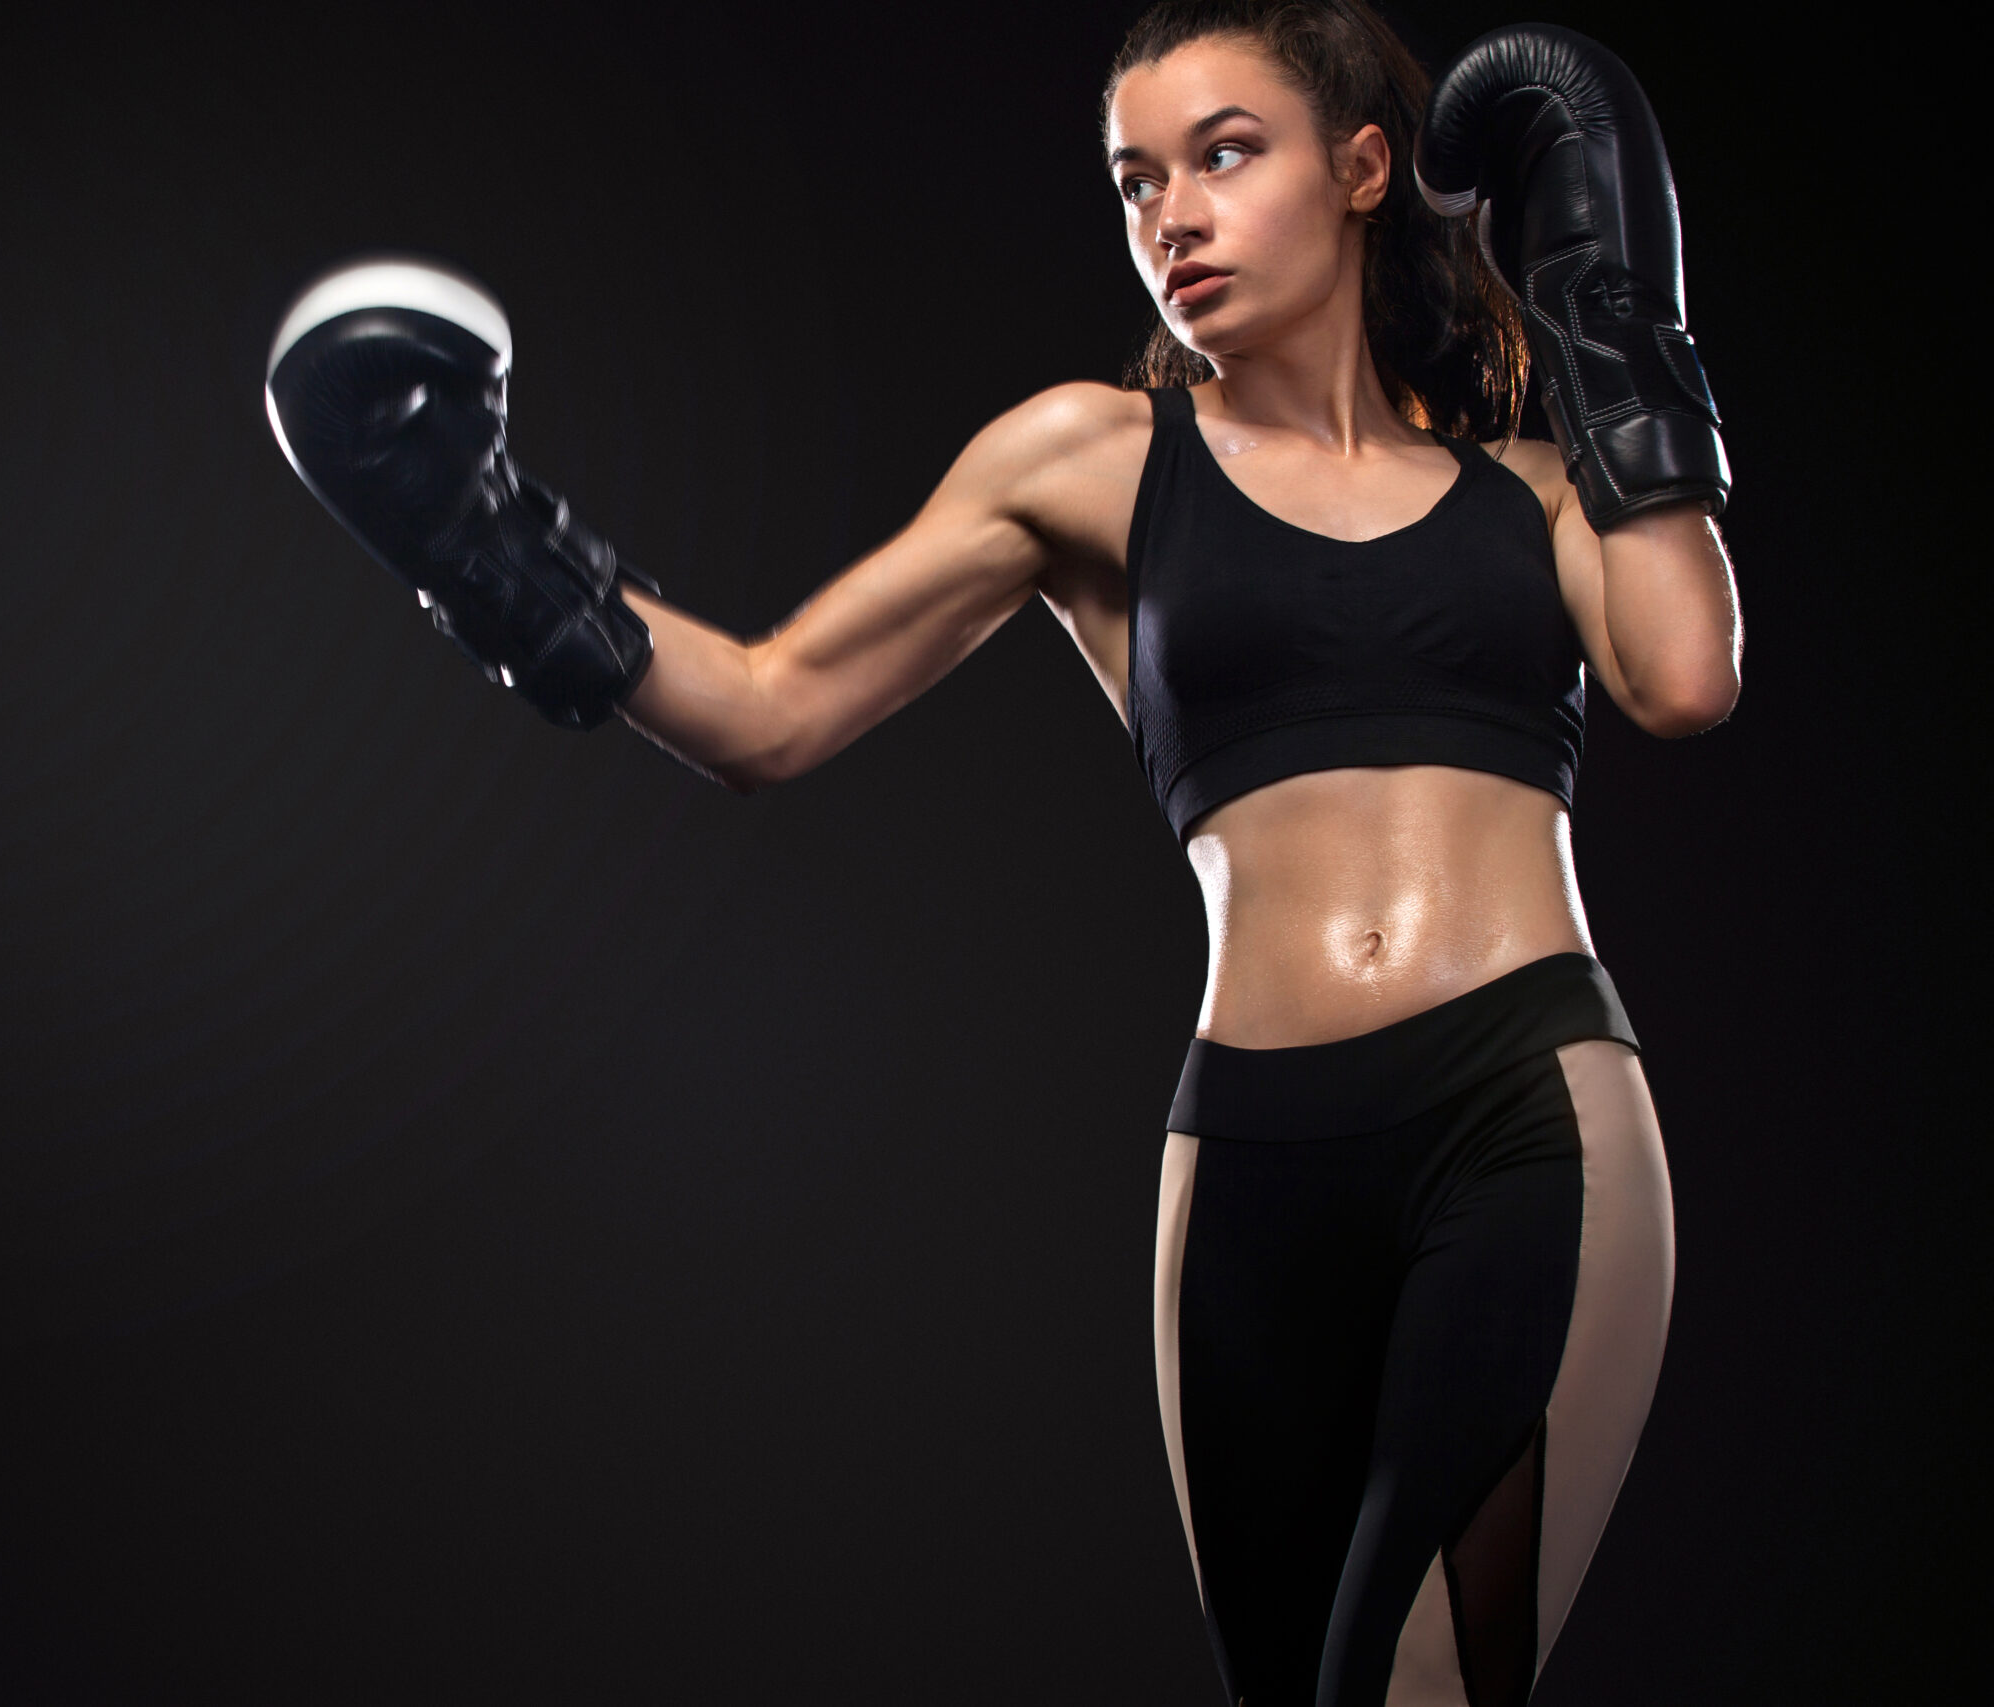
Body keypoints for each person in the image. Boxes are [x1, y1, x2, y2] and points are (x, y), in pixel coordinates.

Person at [264, 2, 1740, 1699]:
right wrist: (476, 547)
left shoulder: (1540, 492)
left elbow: (1685, 676)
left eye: (1224, 155)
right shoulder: (1091, 460)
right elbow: (770, 709)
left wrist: (1609, 309)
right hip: (1249, 1152)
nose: (1172, 216)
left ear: (1360, 170)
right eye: (1135, 181)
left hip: (1521, 1113)